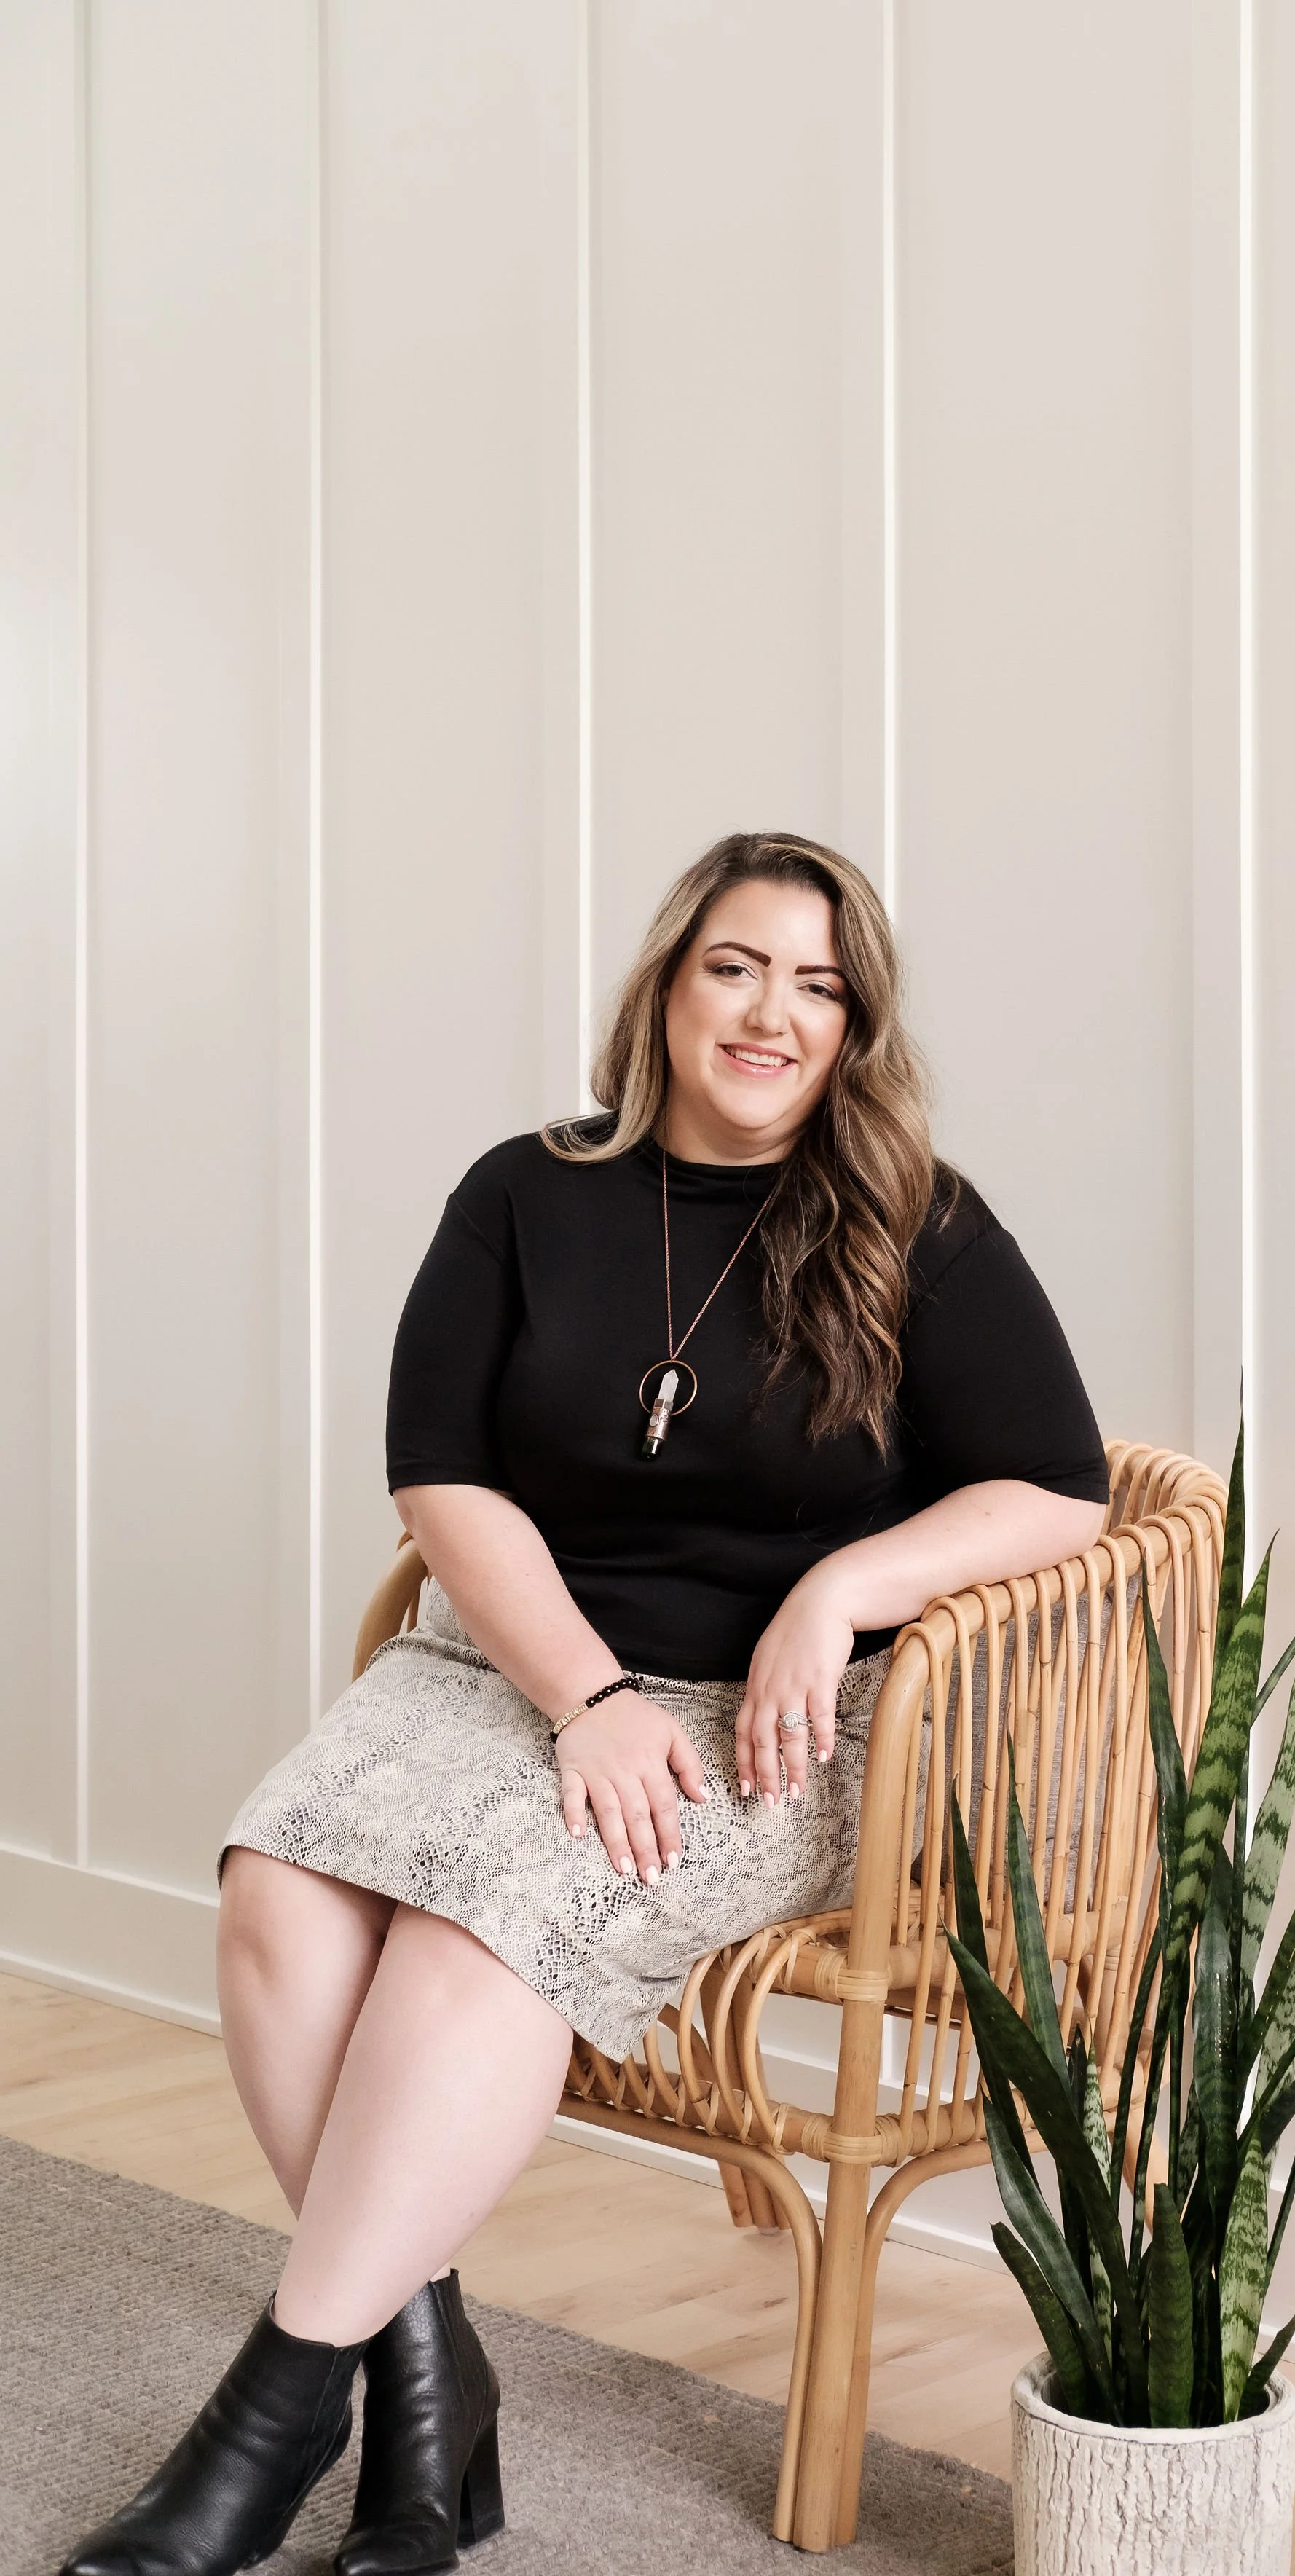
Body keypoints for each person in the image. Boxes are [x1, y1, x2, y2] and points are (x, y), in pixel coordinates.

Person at [60, 834, 1111, 2576]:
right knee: (282, 1889)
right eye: (736, 967)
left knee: (483, 1936)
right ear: (666, 986)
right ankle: (426, 2384)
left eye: (818, 984)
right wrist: (584, 1693)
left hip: (769, 1724)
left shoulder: (912, 1215)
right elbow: (441, 1473)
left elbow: (1061, 1490)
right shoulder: (525, 1190)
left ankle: (267, 2424)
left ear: (855, 1026)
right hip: (520, 1663)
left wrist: (836, 1594)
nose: (772, 1012)